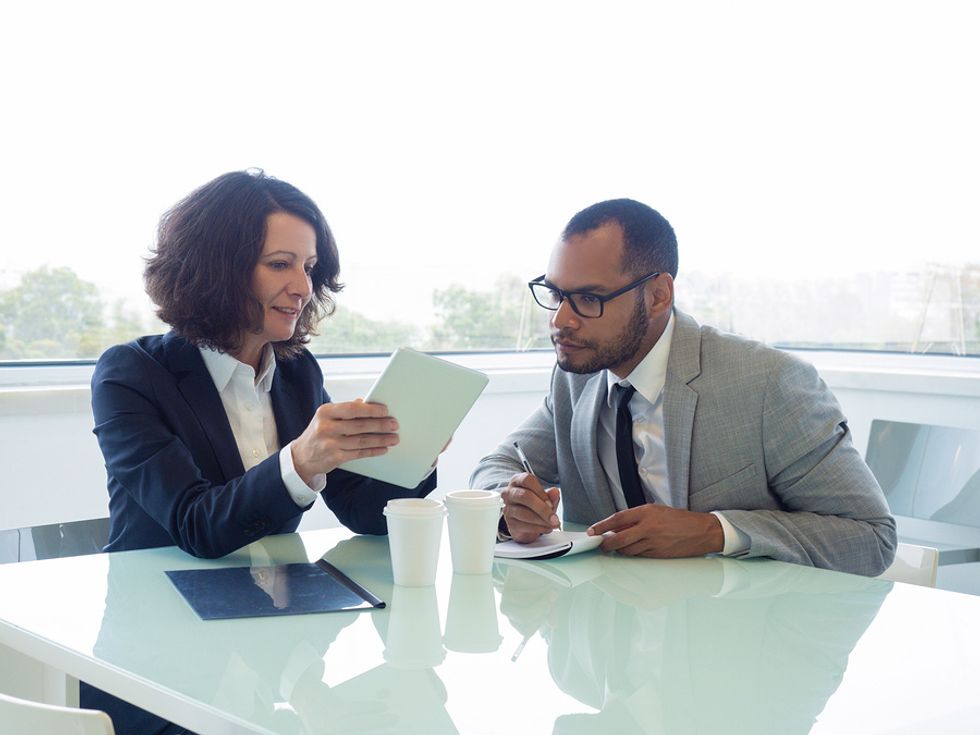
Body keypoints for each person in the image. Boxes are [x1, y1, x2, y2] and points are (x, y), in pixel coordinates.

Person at [87, 169, 437, 734]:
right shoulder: (131, 374)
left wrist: (414, 453)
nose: (302, 286)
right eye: (281, 264)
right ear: (217, 268)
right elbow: (196, 524)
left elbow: (365, 513)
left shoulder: (296, 373)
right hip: (161, 665)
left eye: (309, 267)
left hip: (272, 649)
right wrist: (303, 459)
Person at [470, 198, 896, 576]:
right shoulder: (576, 377)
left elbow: (870, 538)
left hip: (737, 648)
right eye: (555, 293)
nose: (561, 320)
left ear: (657, 295)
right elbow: (497, 465)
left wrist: (714, 531)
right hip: (601, 644)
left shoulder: (770, 383)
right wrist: (509, 506)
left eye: (589, 299)